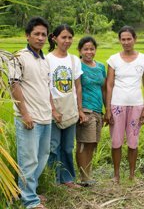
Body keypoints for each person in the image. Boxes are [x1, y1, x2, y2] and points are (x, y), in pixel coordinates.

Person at [9, 17, 51, 209]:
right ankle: (30, 201)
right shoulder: (19, 57)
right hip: (29, 117)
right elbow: (14, 85)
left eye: (43, 34)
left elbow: (46, 88)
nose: (40, 38)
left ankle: (29, 192)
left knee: (41, 156)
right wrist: (25, 114)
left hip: (45, 117)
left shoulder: (44, 60)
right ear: (27, 36)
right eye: (36, 34)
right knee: (28, 159)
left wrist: (52, 111)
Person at [106, 26, 144, 183]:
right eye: (123, 39)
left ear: (135, 39)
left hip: (136, 106)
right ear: (120, 40)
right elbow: (109, 85)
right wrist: (108, 109)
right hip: (117, 105)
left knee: (133, 141)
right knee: (116, 141)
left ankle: (132, 175)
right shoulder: (113, 60)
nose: (126, 42)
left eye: (129, 39)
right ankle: (116, 175)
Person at [47, 24, 86, 188]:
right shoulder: (47, 59)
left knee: (68, 146)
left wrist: (80, 109)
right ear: (54, 38)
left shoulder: (74, 60)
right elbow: (45, 86)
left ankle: (68, 178)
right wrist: (53, 110)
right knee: (53, 147)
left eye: (70, 37)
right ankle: (53, 181)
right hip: (53, 108)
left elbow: (77, 86)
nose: (67, 41)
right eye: (63, 37)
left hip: (70, 108)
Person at [76, 36, 107, 186]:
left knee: (92, 143)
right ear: (80, 51)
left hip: (97, 110)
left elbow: (104, 88)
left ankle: (88, 174)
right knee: (83, 142)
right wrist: (79, 110)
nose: (89, 52)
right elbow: (76, 88)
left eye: (92, 49)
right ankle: (84, 178)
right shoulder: (78, 66)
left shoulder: (101, 67)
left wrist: (107, 110)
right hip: (85, 110)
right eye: (85, 49)